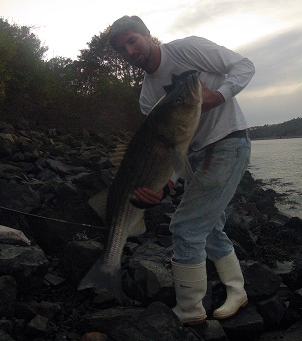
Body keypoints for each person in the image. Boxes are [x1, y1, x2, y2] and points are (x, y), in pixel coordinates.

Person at [107, 15, 255, 325]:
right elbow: (169, 150)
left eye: (132, 40)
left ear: (147, 34)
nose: (131, 51)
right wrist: (161, 189)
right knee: (208, 224)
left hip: (228, 142)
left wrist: (220, 94)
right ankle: (237, 291)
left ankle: (190, 311)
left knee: (186, 228)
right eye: (123, 49)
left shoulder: (188, 49)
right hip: (198, 154)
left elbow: (244, 66)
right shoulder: (148, 96)